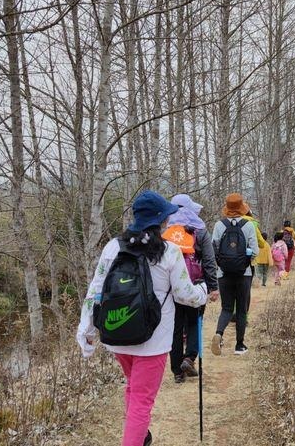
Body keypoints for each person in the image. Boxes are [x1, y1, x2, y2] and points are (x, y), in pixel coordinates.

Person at [76, 191, 208, 446]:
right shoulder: (169, 251)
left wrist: (87, 329)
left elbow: (96, 289)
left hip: (117, 333)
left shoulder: (113, 246)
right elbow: (184, 295)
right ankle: (136, 438)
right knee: (142, 402)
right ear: (160, 221)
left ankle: (140, 435)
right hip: (154, 341)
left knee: (133, 389)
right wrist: (202, 292)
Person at [163, 194, 219, 384]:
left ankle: (177, 371)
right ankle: (189, 358)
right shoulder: (200, 231)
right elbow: (210, 261)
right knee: (195, 322)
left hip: (171, 289)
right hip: (195, 286)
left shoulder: (166, 232)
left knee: (176, 328)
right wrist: (213, 287)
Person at [211, 193, 259, 356]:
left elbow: (214, 248)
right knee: (241, 310)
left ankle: (219, 333)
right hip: (243, 273)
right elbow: (254, 250)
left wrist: (222, 265)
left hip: (223, 273)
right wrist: (245, 262)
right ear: (242, 208)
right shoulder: (248, 225)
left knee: (226, 308)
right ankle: (239, 345)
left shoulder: (219, 225)